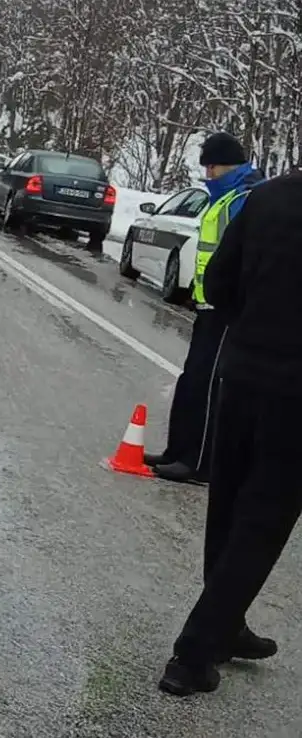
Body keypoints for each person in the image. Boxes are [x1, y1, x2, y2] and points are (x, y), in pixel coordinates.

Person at [158, 166, 302, 696]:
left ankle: (227, 625)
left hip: (240, 374)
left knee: (229, 504)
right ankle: (194, 653)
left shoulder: (265, 199)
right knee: (262, 523)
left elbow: (218, 281)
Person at [146, 132, 263, 484]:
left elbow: (250, 257)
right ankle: (178, 450)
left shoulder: (246, 199)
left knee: (210, 385)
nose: (207, 174)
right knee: (191, 380)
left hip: (228, 311)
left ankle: (200, 463)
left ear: (228, 165)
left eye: (212, 167)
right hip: (207, 306)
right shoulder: (224, 198)